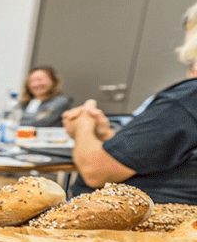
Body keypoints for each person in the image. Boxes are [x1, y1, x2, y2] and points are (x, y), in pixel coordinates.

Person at [62, 33, 197, 204]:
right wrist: (108, 137)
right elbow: (150, 157)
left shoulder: (190, 97)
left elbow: (95, 171)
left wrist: (83, 123)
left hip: (132, 219)